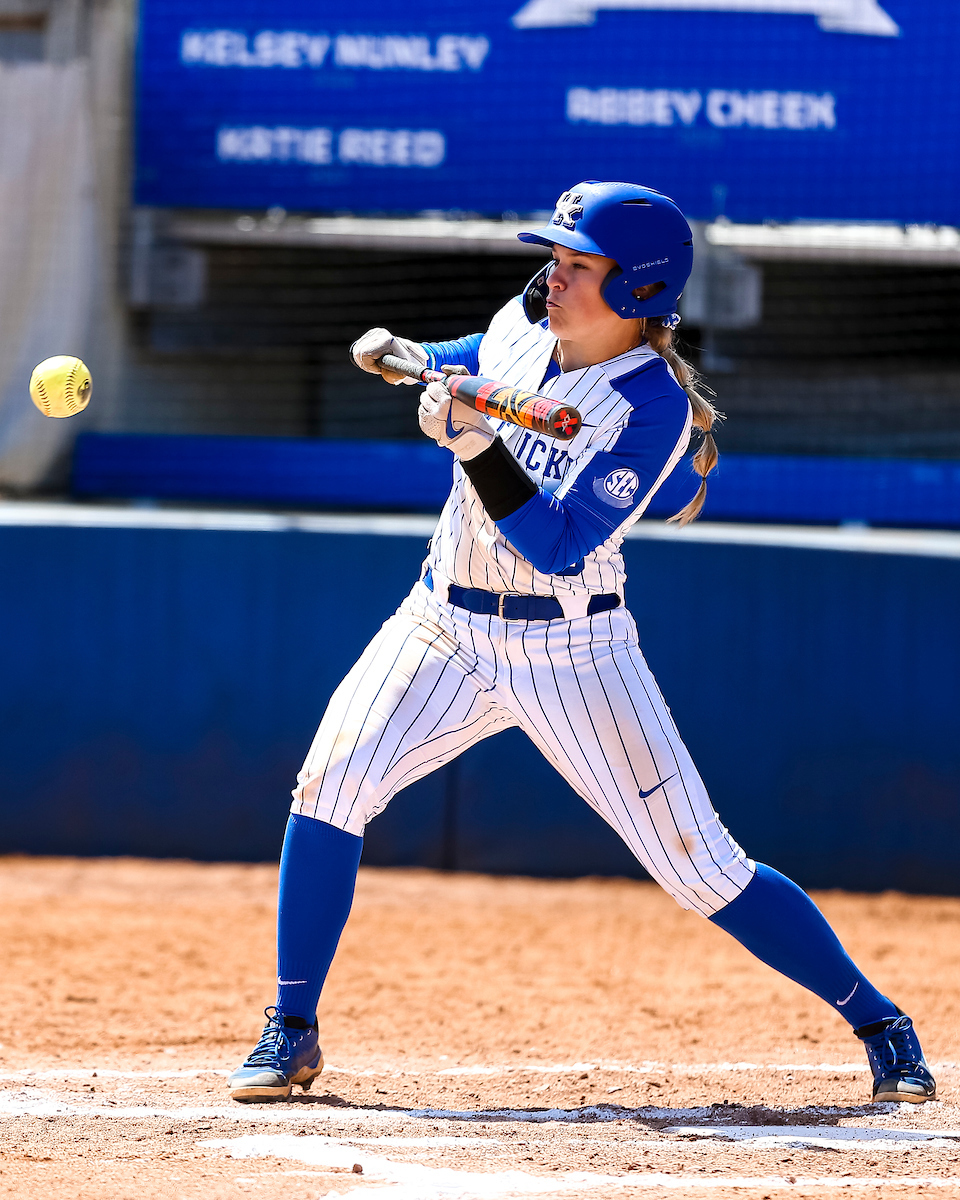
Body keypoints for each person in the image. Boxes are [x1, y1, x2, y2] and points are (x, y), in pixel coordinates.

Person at [227, 180, 935, 1106]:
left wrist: (475, 447)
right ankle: (292, 1029)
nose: (552, 279)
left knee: (700, 865)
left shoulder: (650, 409)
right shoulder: (528, 321)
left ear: (639, 287)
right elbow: (479, 354)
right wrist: (413, 355)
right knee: (329, 785)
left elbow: (558, 545)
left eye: (577, 266)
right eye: (554, 261)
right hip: (441, 623)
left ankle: (881, 1023)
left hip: (574, 652)